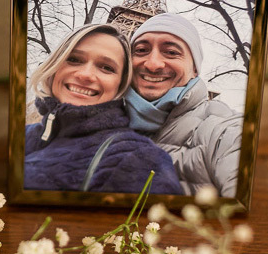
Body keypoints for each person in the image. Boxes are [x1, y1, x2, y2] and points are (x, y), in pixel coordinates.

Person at [25, 24, 182, 195]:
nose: (85, 75)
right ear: (54, 65)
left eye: (106, 68)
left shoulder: (139, 157)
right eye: (74, 59)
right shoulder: (24, 134)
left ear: (121, 85)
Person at [124, 13, 243, 198]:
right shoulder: (101, 123)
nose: (153, 64)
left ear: (195, 69)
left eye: (171, 52)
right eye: (140, 50)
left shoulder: (223, 130)